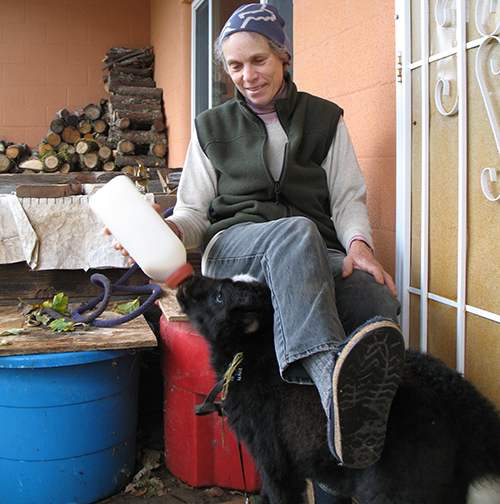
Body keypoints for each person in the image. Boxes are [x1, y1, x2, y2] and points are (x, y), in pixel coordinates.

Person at [123, 3, 404, 501]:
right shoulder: (211, 127)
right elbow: (193, 214)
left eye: (258, 61)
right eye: (235, 66)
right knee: (296, 233)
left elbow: (347, 199)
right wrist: (165, 230)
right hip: (236, 250)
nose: (247, 76)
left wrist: (359, 246)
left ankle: (354, 442)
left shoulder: (325, 119)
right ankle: (330, 384)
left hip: (309, 249)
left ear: (283, 57)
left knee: (373, 296)